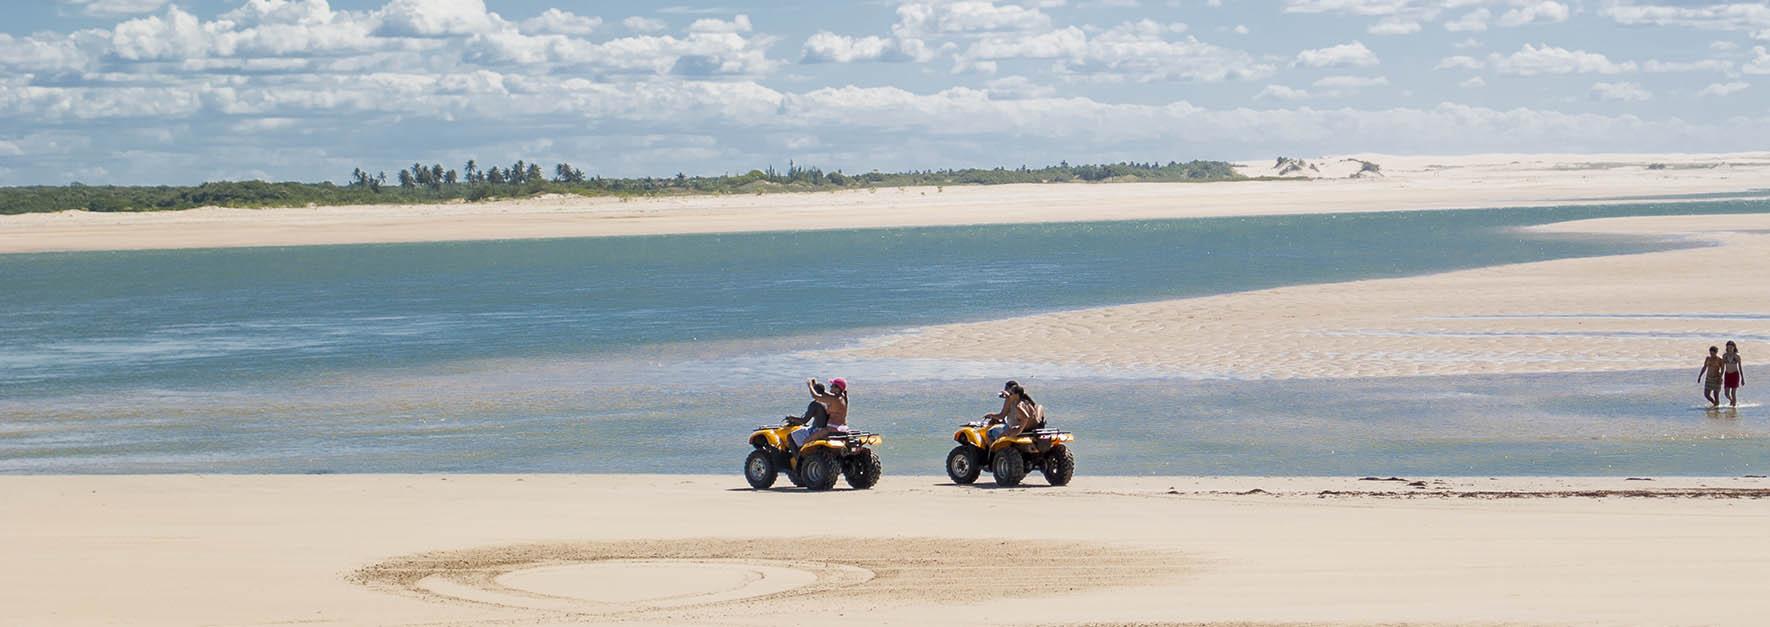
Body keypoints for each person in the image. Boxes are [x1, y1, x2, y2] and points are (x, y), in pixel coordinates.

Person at [794, 377, 849, 449]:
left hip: (831, 428)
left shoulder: (834, 398)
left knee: (805, 442)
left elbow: (816, 397)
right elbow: (824, 393)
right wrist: (815, 385)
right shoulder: (843, 397)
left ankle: (799, 459)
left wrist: (810, 386)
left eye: (832, 385)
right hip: (842, 427)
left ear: (837, 388)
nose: (830, 386)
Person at [1723, 341, 1745, 408]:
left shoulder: (1737, 356)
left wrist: (1742, 378)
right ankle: (1731, 401)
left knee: (1733, 393)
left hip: (1735, 375)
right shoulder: (1725, 356)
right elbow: (1722, 367)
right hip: (1727, 375)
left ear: (1734, 347)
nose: (1730, 348)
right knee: (1726, 394)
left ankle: (1733, 409)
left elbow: (1740, 367)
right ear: (1726, 347)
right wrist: (1720, 376)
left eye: (1731, 346)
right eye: (1728, 346)